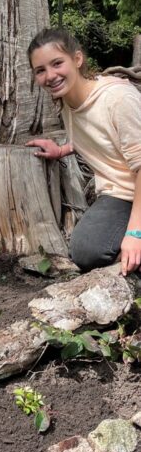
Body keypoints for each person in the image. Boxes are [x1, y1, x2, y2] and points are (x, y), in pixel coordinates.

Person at [26, 28, 141, 275]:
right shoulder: (68, 102)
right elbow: (101, 135)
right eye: (40, 70)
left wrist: (134, 233)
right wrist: (62, 150)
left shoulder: (118, 99)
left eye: (57, 63)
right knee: (85, 250)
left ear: (77, 59)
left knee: (123, 246)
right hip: (120, 192)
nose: (51, 75)